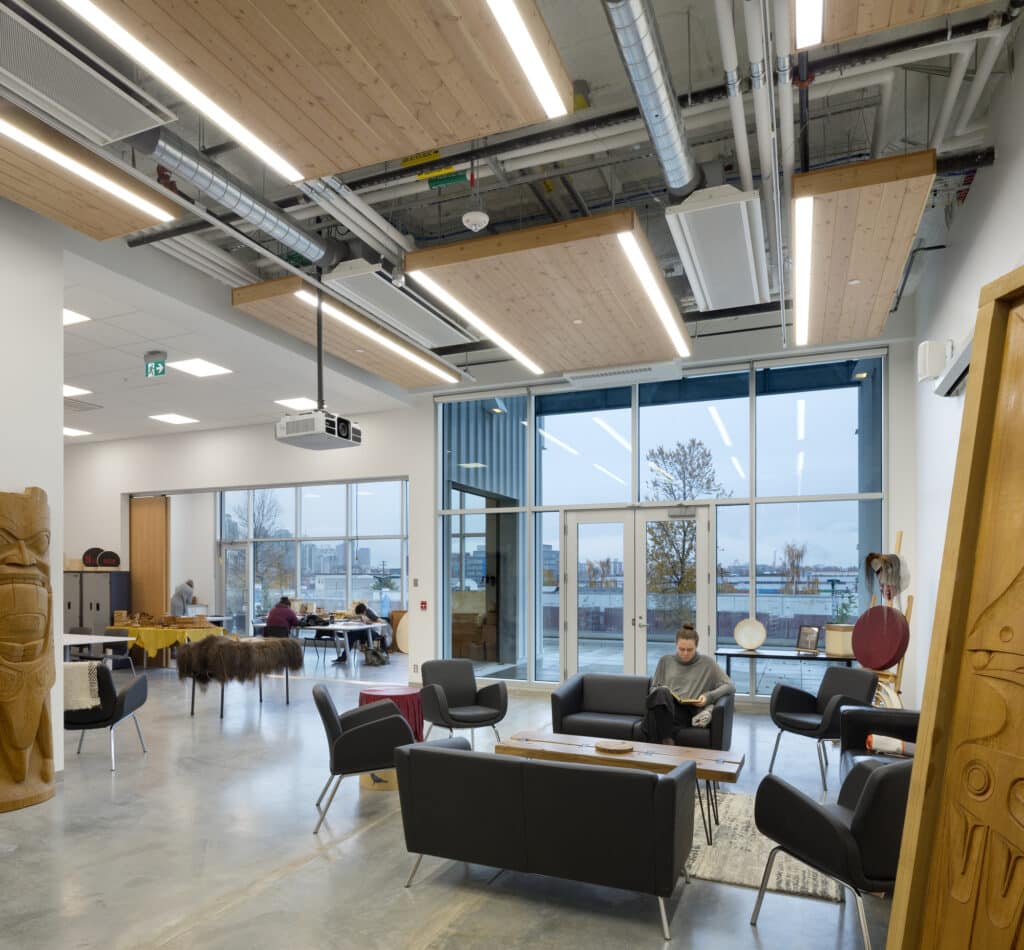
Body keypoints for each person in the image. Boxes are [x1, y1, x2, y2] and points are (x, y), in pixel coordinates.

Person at [644, 625, 735, 745]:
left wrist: (709, 696)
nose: (685, 653)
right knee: (661, 693)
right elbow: (653, 688)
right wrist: (662, 690)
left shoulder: (707, 663)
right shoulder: (665, 660)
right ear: (676, 645)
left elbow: (730, 686)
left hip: (688, 711)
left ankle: (658, 748)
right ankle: (667, 740)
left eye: (690, 650)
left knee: (653, 717)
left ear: (696, 647)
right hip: (666, 706)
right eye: (681, 649)